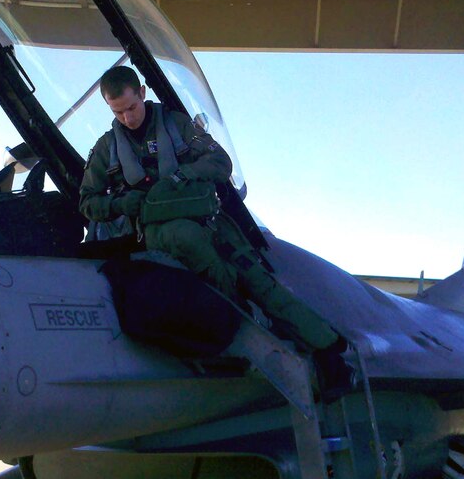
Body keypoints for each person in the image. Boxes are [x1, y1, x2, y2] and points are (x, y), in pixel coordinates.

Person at [79, 66, 342, 355]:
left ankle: (331, 349)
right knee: (205, 258)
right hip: (160, 236)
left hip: (209, 220)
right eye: (118, 113)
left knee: (256, 278)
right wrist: (118, 204)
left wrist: (184, 175)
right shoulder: (107, 149)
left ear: (142, 93)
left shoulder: (177, 126)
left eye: (131, 107)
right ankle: (241, 328)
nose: (128, 118)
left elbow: (220, 162)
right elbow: (87, 203)